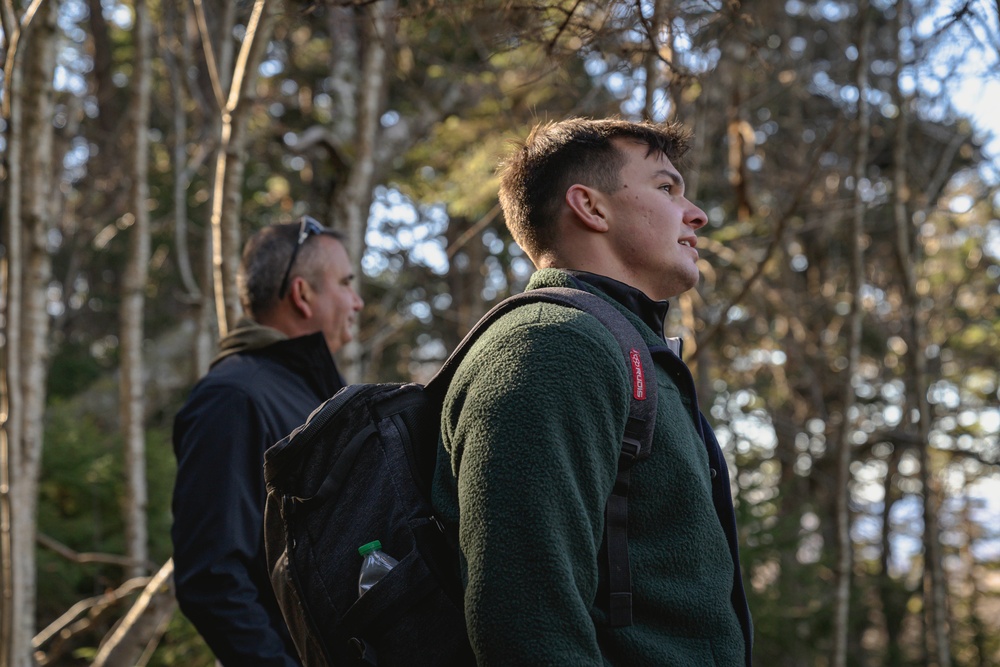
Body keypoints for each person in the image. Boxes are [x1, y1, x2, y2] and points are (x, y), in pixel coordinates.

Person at [432, 118, 754, 665]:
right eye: (665, 187)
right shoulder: (550, 347)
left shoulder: (619, 348)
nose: (695, 212)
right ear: (591, 207)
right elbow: (524, 622)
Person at [172, 217, 364, 666]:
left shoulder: (316, 397)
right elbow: (212, 580)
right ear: (302, 294)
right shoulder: (233, 398)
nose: (356, 302)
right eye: (345, 283)